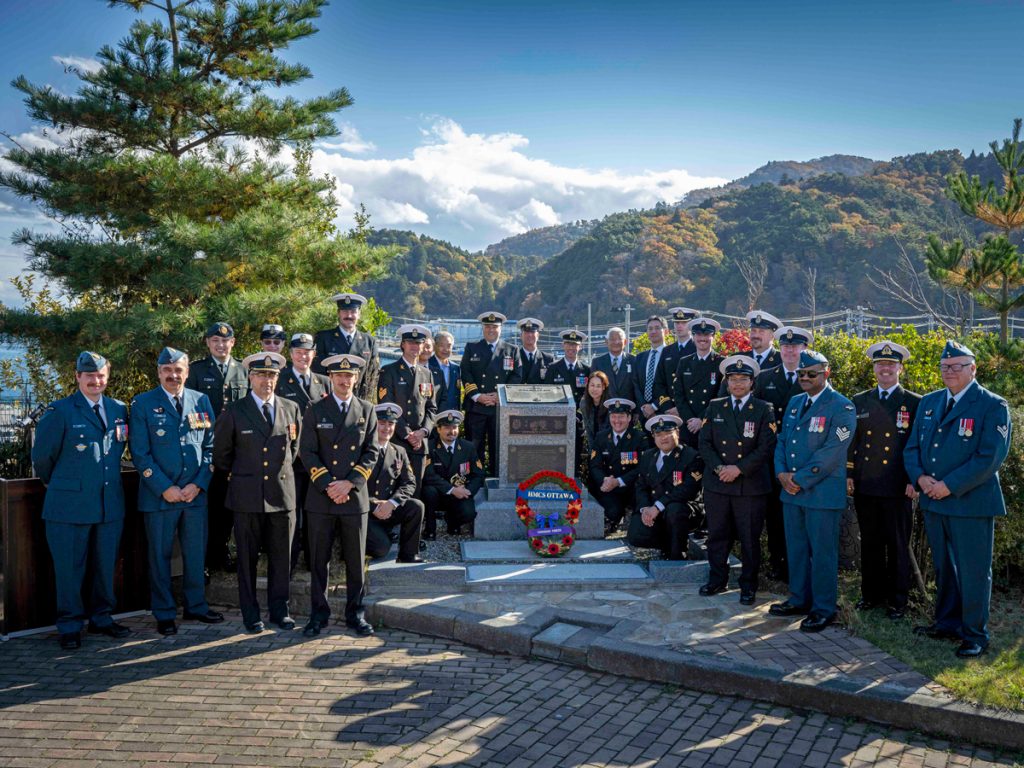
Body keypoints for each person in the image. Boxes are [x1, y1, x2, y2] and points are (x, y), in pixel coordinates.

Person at [904, 340, 1012, 658]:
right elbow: (912, 448)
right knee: (944, 566)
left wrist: (949, 485)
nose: (950, 372)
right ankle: (947, 622)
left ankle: (975, 633)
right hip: (934, 500)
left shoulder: (992, 405)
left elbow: (990, 457)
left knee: (974, 569)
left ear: (973, 369)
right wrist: (921, 478)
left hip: (970, 502)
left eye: (957, 366)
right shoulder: (929, 403)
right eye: (945, 367)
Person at [32, 351, 130, 649]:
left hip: (108, 504)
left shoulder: (118, 409)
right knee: (70, 570)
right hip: (69, 506)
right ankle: (70, 625)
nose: (95, 381)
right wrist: (60, 483)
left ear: (107, 377)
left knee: (104, 566)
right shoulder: (60, 411)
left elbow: (118, 449)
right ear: (78, 377)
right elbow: (42, 458)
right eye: (89, 376)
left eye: (101, 376)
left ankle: (101, 618)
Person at [130, 347, 222, 636]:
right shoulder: (143, 404)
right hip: (161, 498)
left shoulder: (201, 400)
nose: (173, 375)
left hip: (194, 496)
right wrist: (164, 487)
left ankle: (196, 605)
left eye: (178, 370)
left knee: (196, 554)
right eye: (167, 370)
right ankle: (164, 612)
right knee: (160, 557)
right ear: (159, 372)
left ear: (187, 372)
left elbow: (210, 447)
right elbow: (140, 454)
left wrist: (198, 484)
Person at [769, 349, 856, 633]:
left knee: (822, 553)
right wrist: (782, 474)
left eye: (811, 374)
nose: (805, 378)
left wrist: (800, 479)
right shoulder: (795, 402)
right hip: (791, 491)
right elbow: (782, 440)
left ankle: (823, 608)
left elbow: (832, 452)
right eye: (801, 374)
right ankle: (799, 599)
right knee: (796, 549)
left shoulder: (842, 407)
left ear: (826, 373)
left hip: (820, 492)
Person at [213, 351, 301, 633]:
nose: (267, 380)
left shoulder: (291, 408)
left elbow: (294, 451)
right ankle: (250, 613)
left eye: (272, 375)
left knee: (281, 558)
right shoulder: (235, 412)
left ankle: (280, 610)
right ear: (250, 377)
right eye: (261, 374)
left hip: (281, 495)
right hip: (247, 496)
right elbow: (222, 455)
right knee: (247, 560)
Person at [299, 353, 379, 637]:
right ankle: (318, 615)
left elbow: (372, 452)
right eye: (339, 376)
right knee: (319, 561)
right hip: (321, 497)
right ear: (331, 379)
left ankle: (355, 614)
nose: (345, 380)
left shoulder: (367, 410)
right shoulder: (315, 408)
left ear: (356, 378)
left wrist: (350, 484)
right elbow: (306, 451)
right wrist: (330, 485)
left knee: (356, 562)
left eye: (349, 376)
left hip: (354, 498)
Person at [847, 341, 921, 620]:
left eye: (891, 364)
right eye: (880, 364)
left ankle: (898, 601)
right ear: (874, 368)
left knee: (898, 544)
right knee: (870, 542)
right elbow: (853, 443)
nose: (885, 368)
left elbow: (917, 445)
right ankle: (871, 595)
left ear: (900, 367)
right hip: (867, 484)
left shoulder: (914, 402)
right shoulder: (860, 400)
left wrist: (914, 479)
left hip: (898, 485)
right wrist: (849, 474)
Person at [698, 356, 776, 605]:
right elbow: (705, 443)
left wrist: (739, 469)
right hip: (718, 483)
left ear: (752, 382)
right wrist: (721, 468)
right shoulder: (715, 406)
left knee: (750, 538)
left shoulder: (764, 409)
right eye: (733, 379)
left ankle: (748, 585)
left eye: (743, 379)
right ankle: (717, 579)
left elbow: (766, 447)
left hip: (750, 485)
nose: (738, 383)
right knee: (717, 535)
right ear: (727, 382)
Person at [185, 321, 248, 572]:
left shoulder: (244, 370)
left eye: (225, 340)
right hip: (208, 448)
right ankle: (209, 559)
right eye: (215, 341)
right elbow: (191, 410)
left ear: (233, 343)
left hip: (238, 451)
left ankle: (224, 554)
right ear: (208, 343)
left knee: (233, 506)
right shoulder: (196, 371)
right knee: (210, 506)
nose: (220, 345)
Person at [754, 325, 812, 582]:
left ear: (804, 349)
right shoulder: (765, 377)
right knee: (774, 512)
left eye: (795, 346)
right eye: (786, 346)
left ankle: (798, 564)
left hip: (801, 458)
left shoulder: (812, 378)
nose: (790, 351)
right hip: (769, 457)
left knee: (800, 513)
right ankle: (779, 563)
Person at [275, 332, 331, 572]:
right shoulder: (280, 379)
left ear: (314, 354)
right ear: (290, 354)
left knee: (316, 512)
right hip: (292, 458)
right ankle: (289, 559)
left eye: (307, 352)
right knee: (292, 512)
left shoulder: (324, 382)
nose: (303, 356)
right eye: (298, 351)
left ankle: (314, 558)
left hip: (319, 458)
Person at [628, 413, 704, 560]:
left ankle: (677, 554)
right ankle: (667, 544)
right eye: (659, 434)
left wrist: (657, 506)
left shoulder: (692, 456)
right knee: (635, 534)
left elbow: (686, 490)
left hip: (684, 509)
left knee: (674, 510)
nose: (664, 438)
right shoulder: (649, 456)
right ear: (654, 437)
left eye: (668, 433)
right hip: (656, 508)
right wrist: (645, 509)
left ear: (677, 433)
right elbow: (641, 486)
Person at [461, 311, 522, 476]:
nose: (491, 330)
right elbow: (465, 373)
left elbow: (517, 377)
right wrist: (477, 396)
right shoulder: (472, 348)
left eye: (494, 327)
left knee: (499, 447)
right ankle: (475, 480)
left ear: (500, 328)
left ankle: (498, 480)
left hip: (499, 408)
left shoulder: (512, 350)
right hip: (476, 407)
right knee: (474, 447)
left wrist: (499, 395)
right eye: (487, 326)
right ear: (483, 328)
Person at [378, 324, 436, 490]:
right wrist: (407, 434)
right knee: (393, 488)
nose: (414, 346)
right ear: (402, 344)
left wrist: (423, 432)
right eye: (410, 342)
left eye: (418, 343)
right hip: (397, 440)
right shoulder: (389, 371)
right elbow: (386, 405)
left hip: (419, 443)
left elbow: (431, 408)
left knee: (415, 490)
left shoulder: (427, 374)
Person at [365, 403, 425, 563]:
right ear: (373, 424)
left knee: (416, 506)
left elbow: (409, 483)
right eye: (382, 423)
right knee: (381, 549)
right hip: (366, 512)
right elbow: (354, 485)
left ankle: (408, 554)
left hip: (389, 509)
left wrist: (392, 503)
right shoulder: (362, 449)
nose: (386, 428)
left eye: (390, 424)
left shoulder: (399, 451)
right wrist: (374, 505)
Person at [588, 398, 650, 537]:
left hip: (630, 487)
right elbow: (594, 465)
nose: (617, 420)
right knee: (612, 512)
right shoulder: (601, 437)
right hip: (608, 487)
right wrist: (605, 480)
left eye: (621, 416)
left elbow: (642, 468)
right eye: (614, 416)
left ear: (629, 418)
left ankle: (630, 515)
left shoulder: (640, 438)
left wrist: (619, 481)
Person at [422, 410, 486, 539]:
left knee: (468, 514)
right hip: (439, 492)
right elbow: (428, 475)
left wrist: (467, 491)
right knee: (428, 492)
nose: (452, 431)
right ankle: (430, 529)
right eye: (447, 427)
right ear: (438, 429)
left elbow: (478, 474)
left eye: (455, 427)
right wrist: (451, 490)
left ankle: (452, 522)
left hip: (460, 492)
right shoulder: (429, 446)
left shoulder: (468, 447)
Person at [312, 292, 380, 403]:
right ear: (338, 313)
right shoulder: (324, 338)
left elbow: (373, 376)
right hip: (329, 400)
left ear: (359, 314)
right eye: (345, 311)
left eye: (353, 311)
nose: (349, 315)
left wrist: (365, 402)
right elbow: (317, 373)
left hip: (358, 401)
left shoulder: (369, 342)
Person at [669, 317, 724, 448]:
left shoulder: (721, 362)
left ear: (713, 337)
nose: (702, 339)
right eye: (698, 334)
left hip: (710, 424)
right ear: (693, 337)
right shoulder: (684, 362)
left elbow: (721, 396)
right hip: (687, 425)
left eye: (706, 334)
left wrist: (701, 419)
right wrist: (690, 420)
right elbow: (678, 394)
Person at [654, 307, 700, 413]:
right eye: (676, 322)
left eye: (684, 323)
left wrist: (681, 409)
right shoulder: (667, 351)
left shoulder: (698, 349)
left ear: (691, 324)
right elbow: (659, 383)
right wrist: (667, 406)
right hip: (669, 410)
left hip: (691, 412)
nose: (679, 326)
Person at [590, 327, 639, 403]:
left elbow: (637, 387)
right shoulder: (597, 362)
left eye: (619, 339)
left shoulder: (634, 360)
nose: (616, 342)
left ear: (625, 342)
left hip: (628, 410)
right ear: (606, 342)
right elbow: (592, 389)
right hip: (604, 411)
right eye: (612, 339)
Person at [634, 316, 669, 423]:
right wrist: (644, 407)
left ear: (666, 331)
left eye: (657, 328)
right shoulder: (640, 357)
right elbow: (636, 384)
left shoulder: (672, 355)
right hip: (644, 414)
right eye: (650, 328)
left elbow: (673, 387)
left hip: (665, 411)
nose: (653, 331)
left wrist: (654, 406)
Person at [545, 330, 590, 404]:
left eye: (574, 344)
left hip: (580, 412)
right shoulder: (552, 368)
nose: (571, 347)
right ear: (563, 345)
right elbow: (547, 393)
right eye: (568, 344)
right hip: (560, 411)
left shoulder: (587, 370)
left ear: (580, 346)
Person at [428, 330, 462, 414]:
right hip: (432, 413)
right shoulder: (427, 366)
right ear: (434, 345)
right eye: (441, 345)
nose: (445, 349)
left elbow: (456, 394)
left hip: (451, 414)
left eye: (449, 346)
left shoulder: (456, 368)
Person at [579, 371, 611, 450]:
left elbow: (610, 431)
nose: (594, 389)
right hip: (594, 445)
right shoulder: (584, 403)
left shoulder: (610, 404)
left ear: (604, 387)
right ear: (588, 386)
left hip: (610, 446)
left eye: (598, 386)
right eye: (592, 385)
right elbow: (588, 430)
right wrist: (592, 452)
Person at [517, 318, 554, 384]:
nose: (529, 335)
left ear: (538, 336)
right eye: (526, 332)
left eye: (532, 332)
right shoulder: (515, 357)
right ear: (521, 336)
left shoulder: (548, 359)